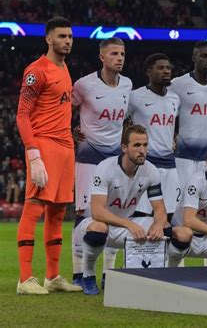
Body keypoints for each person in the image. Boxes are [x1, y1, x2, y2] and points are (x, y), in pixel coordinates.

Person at [77, 125, 192, 294]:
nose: (142, 150)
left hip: (126, 224)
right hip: (93, 224)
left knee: (167, 229)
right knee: (99, 229)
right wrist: (128, 224)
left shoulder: (151, 170)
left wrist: (159, 224)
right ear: (124, 148)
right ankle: (88, 275)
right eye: (137, 145)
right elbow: (97, 212)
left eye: (145, 145)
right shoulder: (105, 167)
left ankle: (154, 273)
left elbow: (159, 209)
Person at [15, 16, 81, 294]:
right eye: (61, 36)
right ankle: (25, 279)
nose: (67, 41)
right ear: (48, 39)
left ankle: (52, 277)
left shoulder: (65, 68)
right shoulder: (37, 70)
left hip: (66, 147)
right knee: (34, 206)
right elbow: (22, 115)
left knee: (57, 211)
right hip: (44, 146)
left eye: (69, 36)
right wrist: (32, 152)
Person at [71, 37, 133, 287]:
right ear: (102, 57)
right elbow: (65, 108)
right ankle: (78, 274)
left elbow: (125, 119)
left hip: (115, 160)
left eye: (122, 54)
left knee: (114, 213)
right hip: (89, 158)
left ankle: (108, 275)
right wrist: (70, 130)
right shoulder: (84, 85)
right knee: (84, 215)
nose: (120, 58)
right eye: (114, 54)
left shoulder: (127, 84)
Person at [129, 53, 181, 220]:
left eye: (168, 68)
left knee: (172, 215)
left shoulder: (175, 99)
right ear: (149, 72)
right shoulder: (135, 97)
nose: (166, 71)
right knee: (142, 214)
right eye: (160, 68)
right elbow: (120, 122)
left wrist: (173, 138)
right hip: (146, 164)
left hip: (170, 164)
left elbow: (171, 124)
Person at [170, 41, 207, 189]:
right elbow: (166, 112)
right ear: (194, 58)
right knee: (182, 199)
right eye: (204, 56)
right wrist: (171, 134)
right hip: (183, 155)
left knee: (204, 199)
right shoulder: (178, 84)